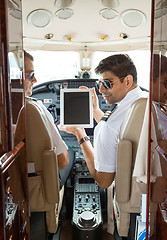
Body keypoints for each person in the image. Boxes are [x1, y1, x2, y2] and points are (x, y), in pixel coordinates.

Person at [59, 54, 148, 239]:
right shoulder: (144, 101)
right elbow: (120, 128)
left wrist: (80, 134)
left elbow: (103, 181)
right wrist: (97, 111)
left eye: (107, 83)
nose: (100, 89)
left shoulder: (109, 127)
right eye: (100, 83)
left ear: (128, 81)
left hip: (128, 197)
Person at [24, 50, 73, 188]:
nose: (35, 80)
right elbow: (62, 162)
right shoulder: (37, 109)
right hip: (40, 185)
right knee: (69, 153)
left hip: (14, 184)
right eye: (31, 75)